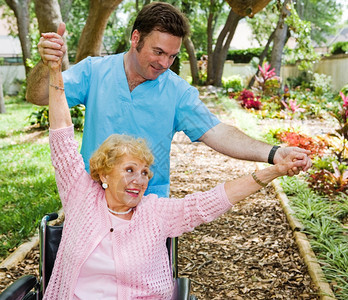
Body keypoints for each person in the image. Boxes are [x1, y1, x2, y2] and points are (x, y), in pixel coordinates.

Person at [46, 38, 306, 300]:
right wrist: (55, 69)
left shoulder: (154, 213)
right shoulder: (80, 198)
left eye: (145, 172)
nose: (139, 180)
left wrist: (274, 167)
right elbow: (61, 135)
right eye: (129, 170)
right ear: (104, 174)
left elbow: (213, 200)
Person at [26, 2, 312, 198]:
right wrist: (47, 63)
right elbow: (37, 96)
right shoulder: (94, 71)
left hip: (148, 204)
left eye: (173, 55)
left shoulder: (177, 91)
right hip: (92, 198)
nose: (166, 63)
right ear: (135, 38)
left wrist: (274, 153)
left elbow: (218, 132)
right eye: (159, 52)